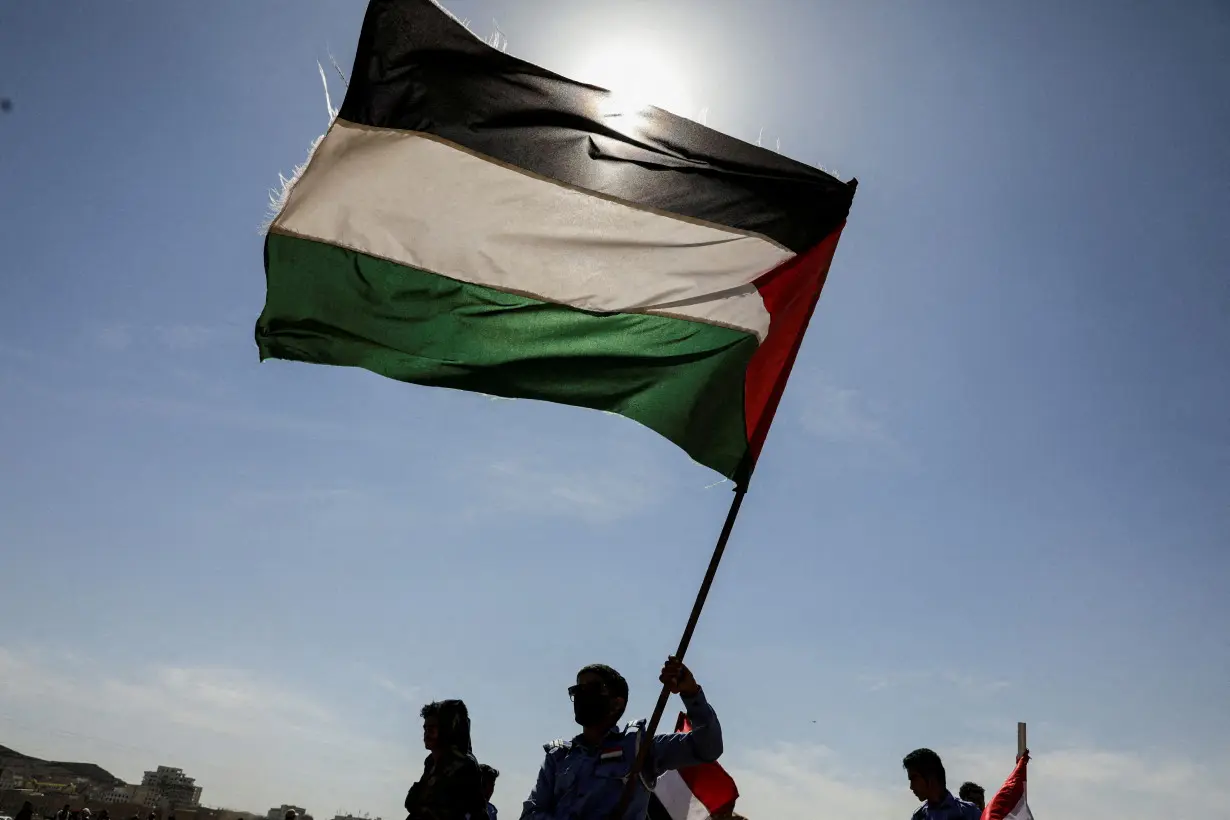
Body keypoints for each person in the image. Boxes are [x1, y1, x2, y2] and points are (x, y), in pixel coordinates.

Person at [520, 656, 723, 820]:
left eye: (591, 688)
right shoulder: (558, 757)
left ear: (617, 704)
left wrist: (690, 692)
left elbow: (708, 746)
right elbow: (531, 813)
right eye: (577, 690)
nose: (582, 694)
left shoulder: (639, 748)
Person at [405, 699, 486, 820]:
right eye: (425, 728)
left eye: (431, 729)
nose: (426, 734)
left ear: (445, 730)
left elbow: (472, 811)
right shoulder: (430, 763)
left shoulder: (464, 765)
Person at [902, 749, 981, 820]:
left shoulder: (968, 812)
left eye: (914, 779)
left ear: (930, 776)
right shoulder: (919, 817)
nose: (911, 787)